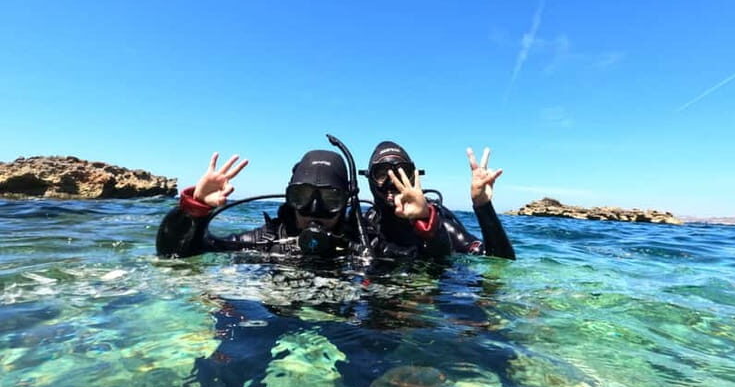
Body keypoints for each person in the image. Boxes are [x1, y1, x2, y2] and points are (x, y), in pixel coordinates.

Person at [156, 149, 357, 259]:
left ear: (347, 200)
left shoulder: (363, 246)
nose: (314, 211)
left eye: (331, 200)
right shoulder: (262, 242)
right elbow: (174, 254)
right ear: (289, 198)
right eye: (302, 197)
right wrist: (195, 207)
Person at [361, 141, 515, 260]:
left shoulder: (439, 224)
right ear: (370, 178)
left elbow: (501, 263)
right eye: (382, 174)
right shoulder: (361, 228)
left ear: (414, 177)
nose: (393, 181)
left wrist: (483, 205)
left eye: (402, 172)